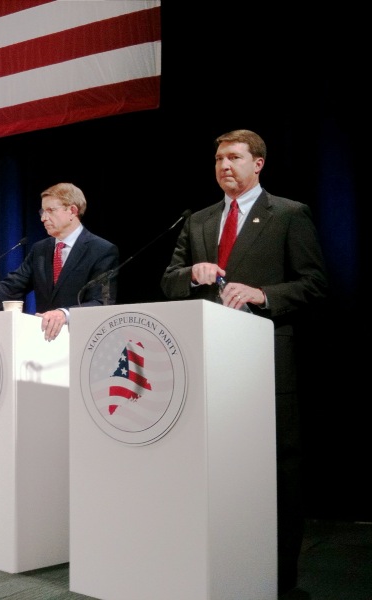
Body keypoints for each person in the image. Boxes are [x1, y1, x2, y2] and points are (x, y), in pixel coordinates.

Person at [159, 129, 329, 597]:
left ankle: (278, 583)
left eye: (233, 157)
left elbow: (315, 284)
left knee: (275, 480)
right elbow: (168, 281)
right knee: (214, 476)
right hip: (205, 369)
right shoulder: (199, 220)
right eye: (217, 158)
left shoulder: (289, 215)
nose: (223, 165)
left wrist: (264, 294)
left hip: (265, 368)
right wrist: (191, 274)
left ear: (259, 164)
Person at [0, 182, 120, 342]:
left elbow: (101, 302)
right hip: (45, 342)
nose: (43, 218)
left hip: (83, 341)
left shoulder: (101, 250)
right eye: (42, 211)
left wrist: (64, 314)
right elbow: (10, 288)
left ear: (72, 211)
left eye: (50, 210)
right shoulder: (40, 249)